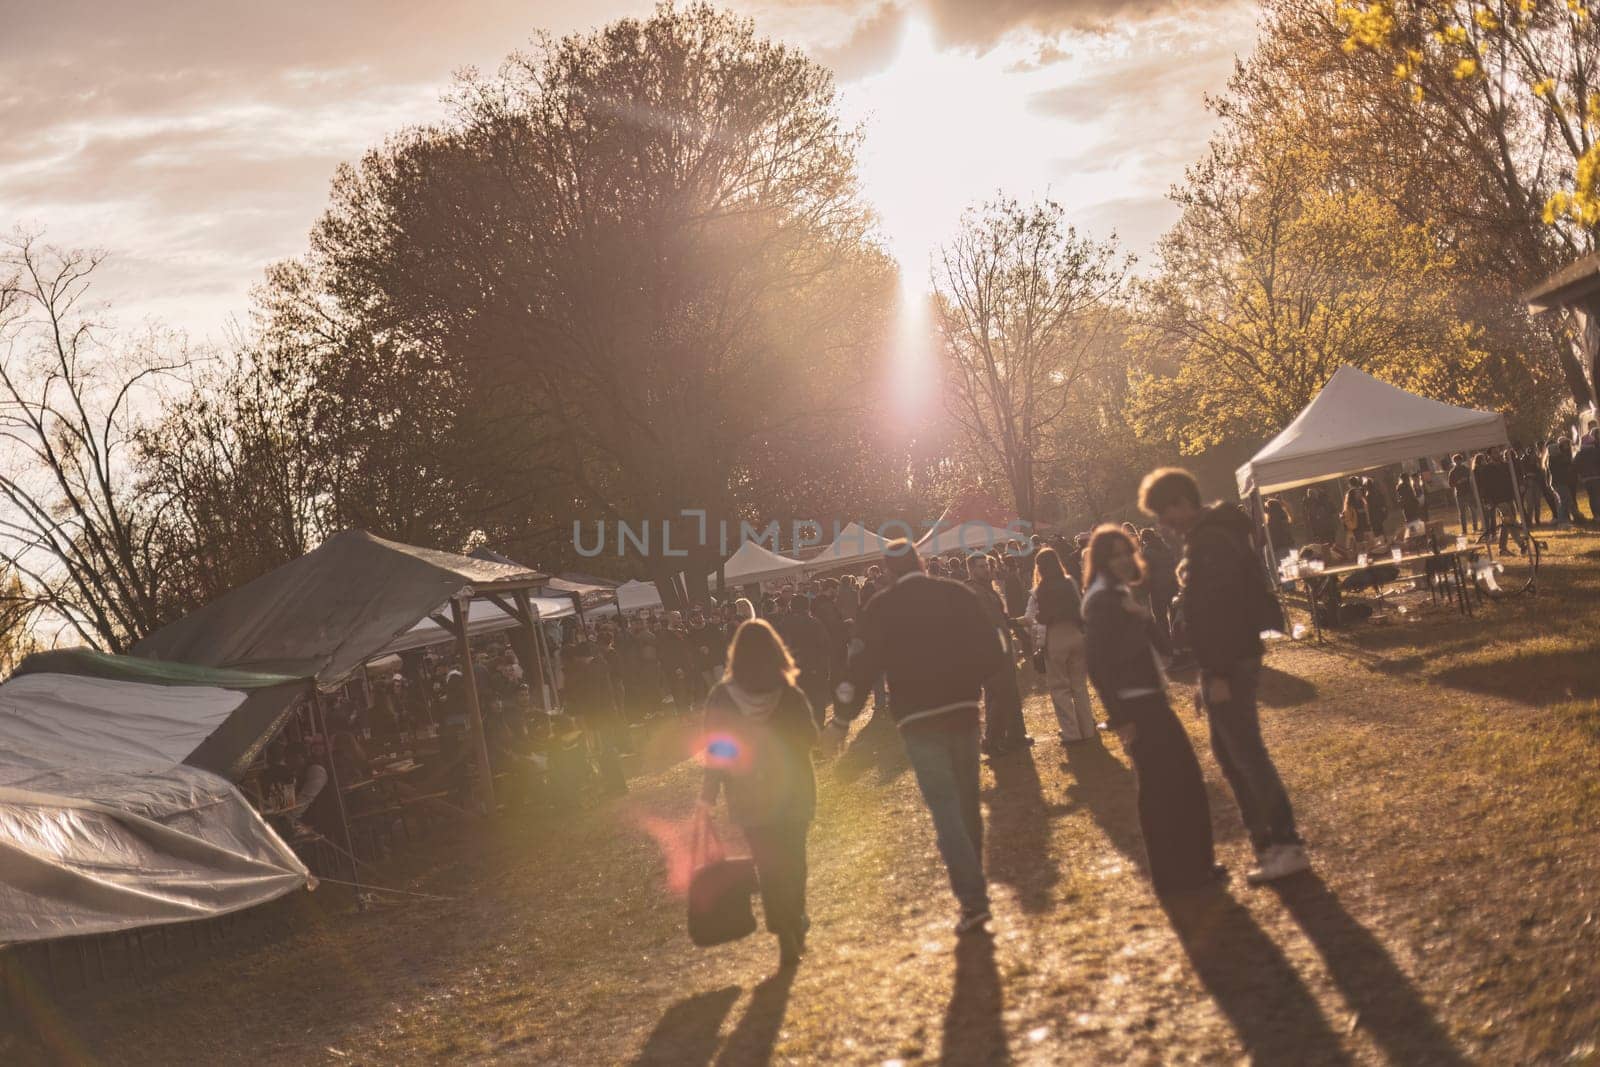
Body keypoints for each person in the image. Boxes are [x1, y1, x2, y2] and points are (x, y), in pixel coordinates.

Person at [823, 539, 1007, 935]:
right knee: (967, 803)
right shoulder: (955, 593)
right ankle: (974, 891)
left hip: (918, 716)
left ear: (887, 571)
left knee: (945, 808)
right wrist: (974, 679)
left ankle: (973, 898)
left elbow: (860, 666)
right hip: (960, 708)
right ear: (921, 562)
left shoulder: (880, 607)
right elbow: (991, 648)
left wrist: (841, 721)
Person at [1139, 468, 1309, 885]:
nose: (1163, 524)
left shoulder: (1212, 540)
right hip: (1228, 658)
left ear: (1182, 502)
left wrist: (1215, 672)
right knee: (1231, 753)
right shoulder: (1212, 535)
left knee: (1245, 754)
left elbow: (1219, 610)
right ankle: (1269, 843)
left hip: (1230, 660)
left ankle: (1283, 843)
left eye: (1165, 513)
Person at [1082, 526, 1220, 895]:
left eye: (1127, 551)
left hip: (1149, 697)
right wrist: (1120, 718)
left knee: (1175, 784)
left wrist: (1141, 615)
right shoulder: (1100, 601)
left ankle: (1192, 866)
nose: (1124, 559)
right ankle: (1177, 873)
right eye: (1115, 555)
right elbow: (1096, 665)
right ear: (1102, 561)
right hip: (1136, 704)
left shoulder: (1119, 595)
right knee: (1166, 787)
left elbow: (1166, 648)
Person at [697, 619, 819, 969]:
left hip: (748, 793)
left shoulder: (722, 696)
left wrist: (708, 795)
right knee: (794, 859)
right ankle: (795, 917)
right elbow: (809, 737)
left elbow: (717, 750)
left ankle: (784, 928)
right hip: (793, 788)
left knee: (767, 864)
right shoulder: (788, 692)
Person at [1026, 547, 1096, 745]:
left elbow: (1035, 618)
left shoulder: (1039, 590)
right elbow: (1080, 605)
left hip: (1055, 637)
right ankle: (1088, 729)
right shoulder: (1069, 582)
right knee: (1079, 686)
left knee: (1060, 688)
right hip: (1076, 633)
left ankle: (1071, 732)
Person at [964, 554, 1030, 757]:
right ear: (972, 570)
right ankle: (994, 740)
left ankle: (1013, 736)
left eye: (987, 566)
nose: (987, 569)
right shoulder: (975, 592)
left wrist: (1017, 624)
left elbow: (1001, 619)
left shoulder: (986, 589)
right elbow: (990, 624)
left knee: (1005, 694)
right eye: (982, 567)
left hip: (1000, 648)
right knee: (1000, 695)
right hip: (991, 651)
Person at [1447, 453, 1479, 534]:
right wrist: (1458, 482)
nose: (1457, 462)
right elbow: (1450, 484)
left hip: (1468, 492)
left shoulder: (1467, 470)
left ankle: (1475, 527)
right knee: (1462, 513)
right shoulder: (1452, 472)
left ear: (1461, 460)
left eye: (1459, 460)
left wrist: (1466, 480)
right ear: (1454, 461)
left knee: (1473, 511)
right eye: (1456, 461)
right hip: (1459, 494)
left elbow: (1472, 480)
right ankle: (1464, 530)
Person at [1340, 476, 1371, 547]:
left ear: (1350, 484)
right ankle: (1369, 548)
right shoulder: (1362, 490)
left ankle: (1362, 550)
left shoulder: (1350, 493)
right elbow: (1365, 502)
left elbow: (1347, 506)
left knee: (1358, 536)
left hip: (1355, 517)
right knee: (1366, 534)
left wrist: (1345, 516)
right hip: (1364, 515)